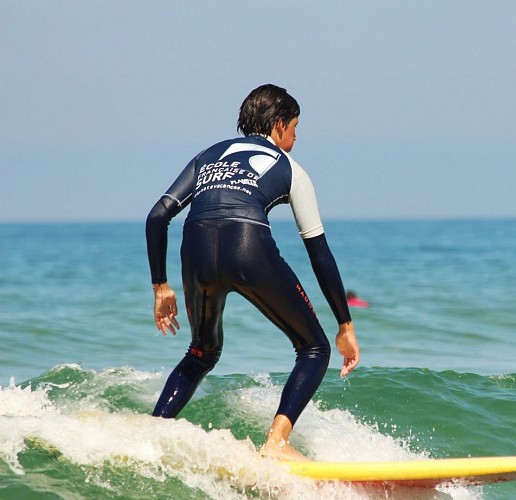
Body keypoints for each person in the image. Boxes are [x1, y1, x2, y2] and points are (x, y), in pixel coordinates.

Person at [145, 84, 360, 461]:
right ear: (278, 126)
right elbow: (319, 252)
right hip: (247, 246)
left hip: (194, 249)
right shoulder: (291, 168)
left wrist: (161, 287)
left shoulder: (207, 156)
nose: (296, 137)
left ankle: (151, 434)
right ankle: (277, 443)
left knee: (201, 351)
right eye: (294, 127)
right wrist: (345, 325)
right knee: (314, 348)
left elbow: (157, 216)